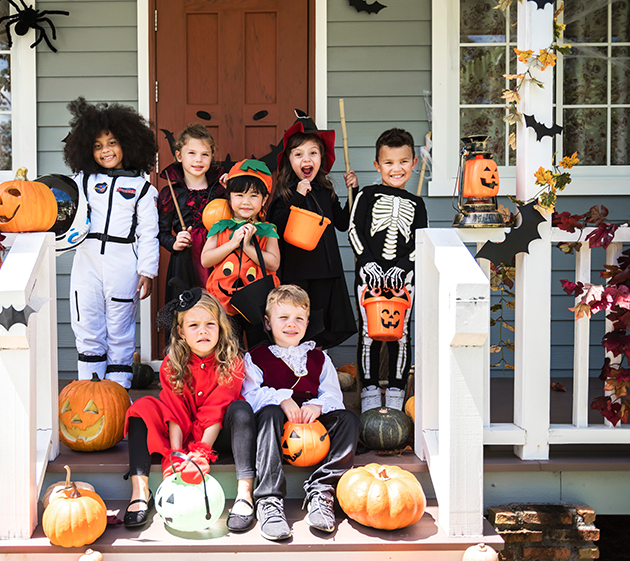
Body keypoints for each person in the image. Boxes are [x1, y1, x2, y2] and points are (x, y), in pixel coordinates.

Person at [123, 289, 257, 532]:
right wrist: (176, 454)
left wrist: (201, 453)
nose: (203, 330)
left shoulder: (233, 362)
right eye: (194, 325)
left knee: (241, 410)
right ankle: (140, 491)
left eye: (210, 324)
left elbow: (216, 411)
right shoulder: (171, 363)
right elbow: (174, 412)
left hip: (217, 435)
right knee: (142, 407)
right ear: (182, 332)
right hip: (182, 431)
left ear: (221, 327)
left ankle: (244, 494)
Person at [242, 285, 360, 540]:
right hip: (275, 431)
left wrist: (317, 406)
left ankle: (322, 488)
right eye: (283, 318)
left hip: (311, 426)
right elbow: (250, 395)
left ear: (307, 323)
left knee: (348, 419)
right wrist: (283, 400)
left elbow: (333, 396)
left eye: (299, 318)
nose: (291, 324)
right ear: (268, 322)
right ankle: (269, 499)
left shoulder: (318, 357)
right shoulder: (256, 357)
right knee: (269, 413)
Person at [62, 97, 159, 389]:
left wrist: (148, 271)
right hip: (87, 259)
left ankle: (117, 391)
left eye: (113, 142)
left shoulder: (142, 188)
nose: (106, 150)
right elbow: (59, 201)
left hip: (123, 262)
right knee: (87, 322)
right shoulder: (82, 181)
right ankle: (89, 388)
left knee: (120, 328)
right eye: (97, 145)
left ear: (128, 144)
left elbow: (148, 232)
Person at [348, 128, 428, 413]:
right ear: (377, 165)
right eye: (389, 163)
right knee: (368, 334)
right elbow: (354, 230)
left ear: (414, 164)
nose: (397, 169)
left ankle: (396, 391)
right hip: (369, 277)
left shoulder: (417, 204)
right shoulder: (367, 196)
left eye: (404, 162)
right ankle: (369, 390)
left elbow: (421, 241)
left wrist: (402, 266)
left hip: (403, 279)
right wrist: (367, 261)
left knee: (401, 334)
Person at [268, 112, 358, 350]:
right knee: (299, 320)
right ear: (289, 160)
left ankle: (317, 364)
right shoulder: (285, 193)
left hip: (326, 270)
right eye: (298, 154)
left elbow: (342, 222)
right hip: (297, 271)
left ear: (321, 158)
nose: (306, 159)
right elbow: (275, 226)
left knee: (321, 325)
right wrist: (298, 196)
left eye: (312, 153)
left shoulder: (325, 191)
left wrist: (353, 194)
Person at [202, 159, 280, 346]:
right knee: (229, 347)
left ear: (264, 199)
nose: (246, 202)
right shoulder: (220, 226)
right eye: (239, 195)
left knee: (260, 346)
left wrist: (248, 247)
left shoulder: (267, 230)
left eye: (254, 196)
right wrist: (233, 243)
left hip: (258, 302)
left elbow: (274, 263)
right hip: (224, 302)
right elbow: (206, 260)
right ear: (229, 197)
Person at [158, 123, 225, 301]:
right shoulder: (170, 193)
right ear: (179, 156)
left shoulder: (220, 190)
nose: (198, 160)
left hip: (217, 253)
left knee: (216, 304)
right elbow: (161, 232)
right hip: (185, 259)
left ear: (212, 157)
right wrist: (174, 242)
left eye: (205, 154)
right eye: (192, 153)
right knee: (187, 306)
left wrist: (232, 190)